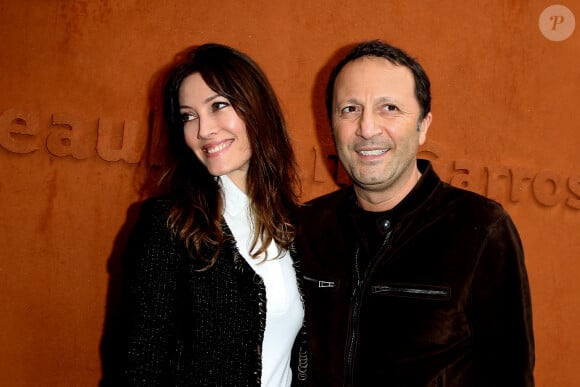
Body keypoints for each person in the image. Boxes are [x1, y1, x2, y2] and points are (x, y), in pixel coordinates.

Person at [296, 40, 534, 386]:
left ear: (423, 126)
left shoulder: (479, 227)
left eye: (389, 107)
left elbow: (510, 375)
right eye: (349, 109)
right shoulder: (305, 227)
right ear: (330, 126)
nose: (367, 128)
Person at [120, 43, 307, 386]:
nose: (203, 130)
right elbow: (139, 366)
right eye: (188, 116)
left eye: (218, 106)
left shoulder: (295, 224)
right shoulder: (169, 223)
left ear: (256, 108)